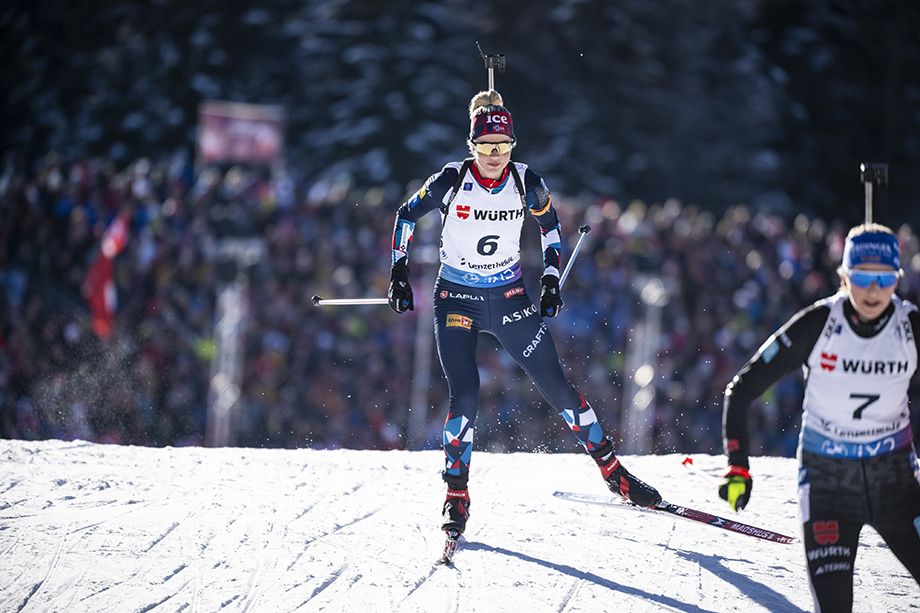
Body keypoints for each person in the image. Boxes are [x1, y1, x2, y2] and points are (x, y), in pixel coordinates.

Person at [387, 89, 661, 538]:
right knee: (466, 394)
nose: (495, 156)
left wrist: (551, 279)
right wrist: (398, 272)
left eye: (504, 147)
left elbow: (551, 229)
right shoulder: (451, 180)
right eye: (486, 147)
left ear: (513, 145)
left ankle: (615, 474)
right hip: (456, 299)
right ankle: (456, 495)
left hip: (510, 297)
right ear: (472, 145)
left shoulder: (526, 180)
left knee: (557, 386)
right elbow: (405, 214)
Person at [720, 223, 920, 611]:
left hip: (894, 483)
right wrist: (738, 466)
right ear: (844, 277)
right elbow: (742, 389)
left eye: (884, 279)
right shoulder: (818, 324)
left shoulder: (910, 326)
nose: (874, 291)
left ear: (898, 278)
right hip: (829, 484)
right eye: (862, 277)